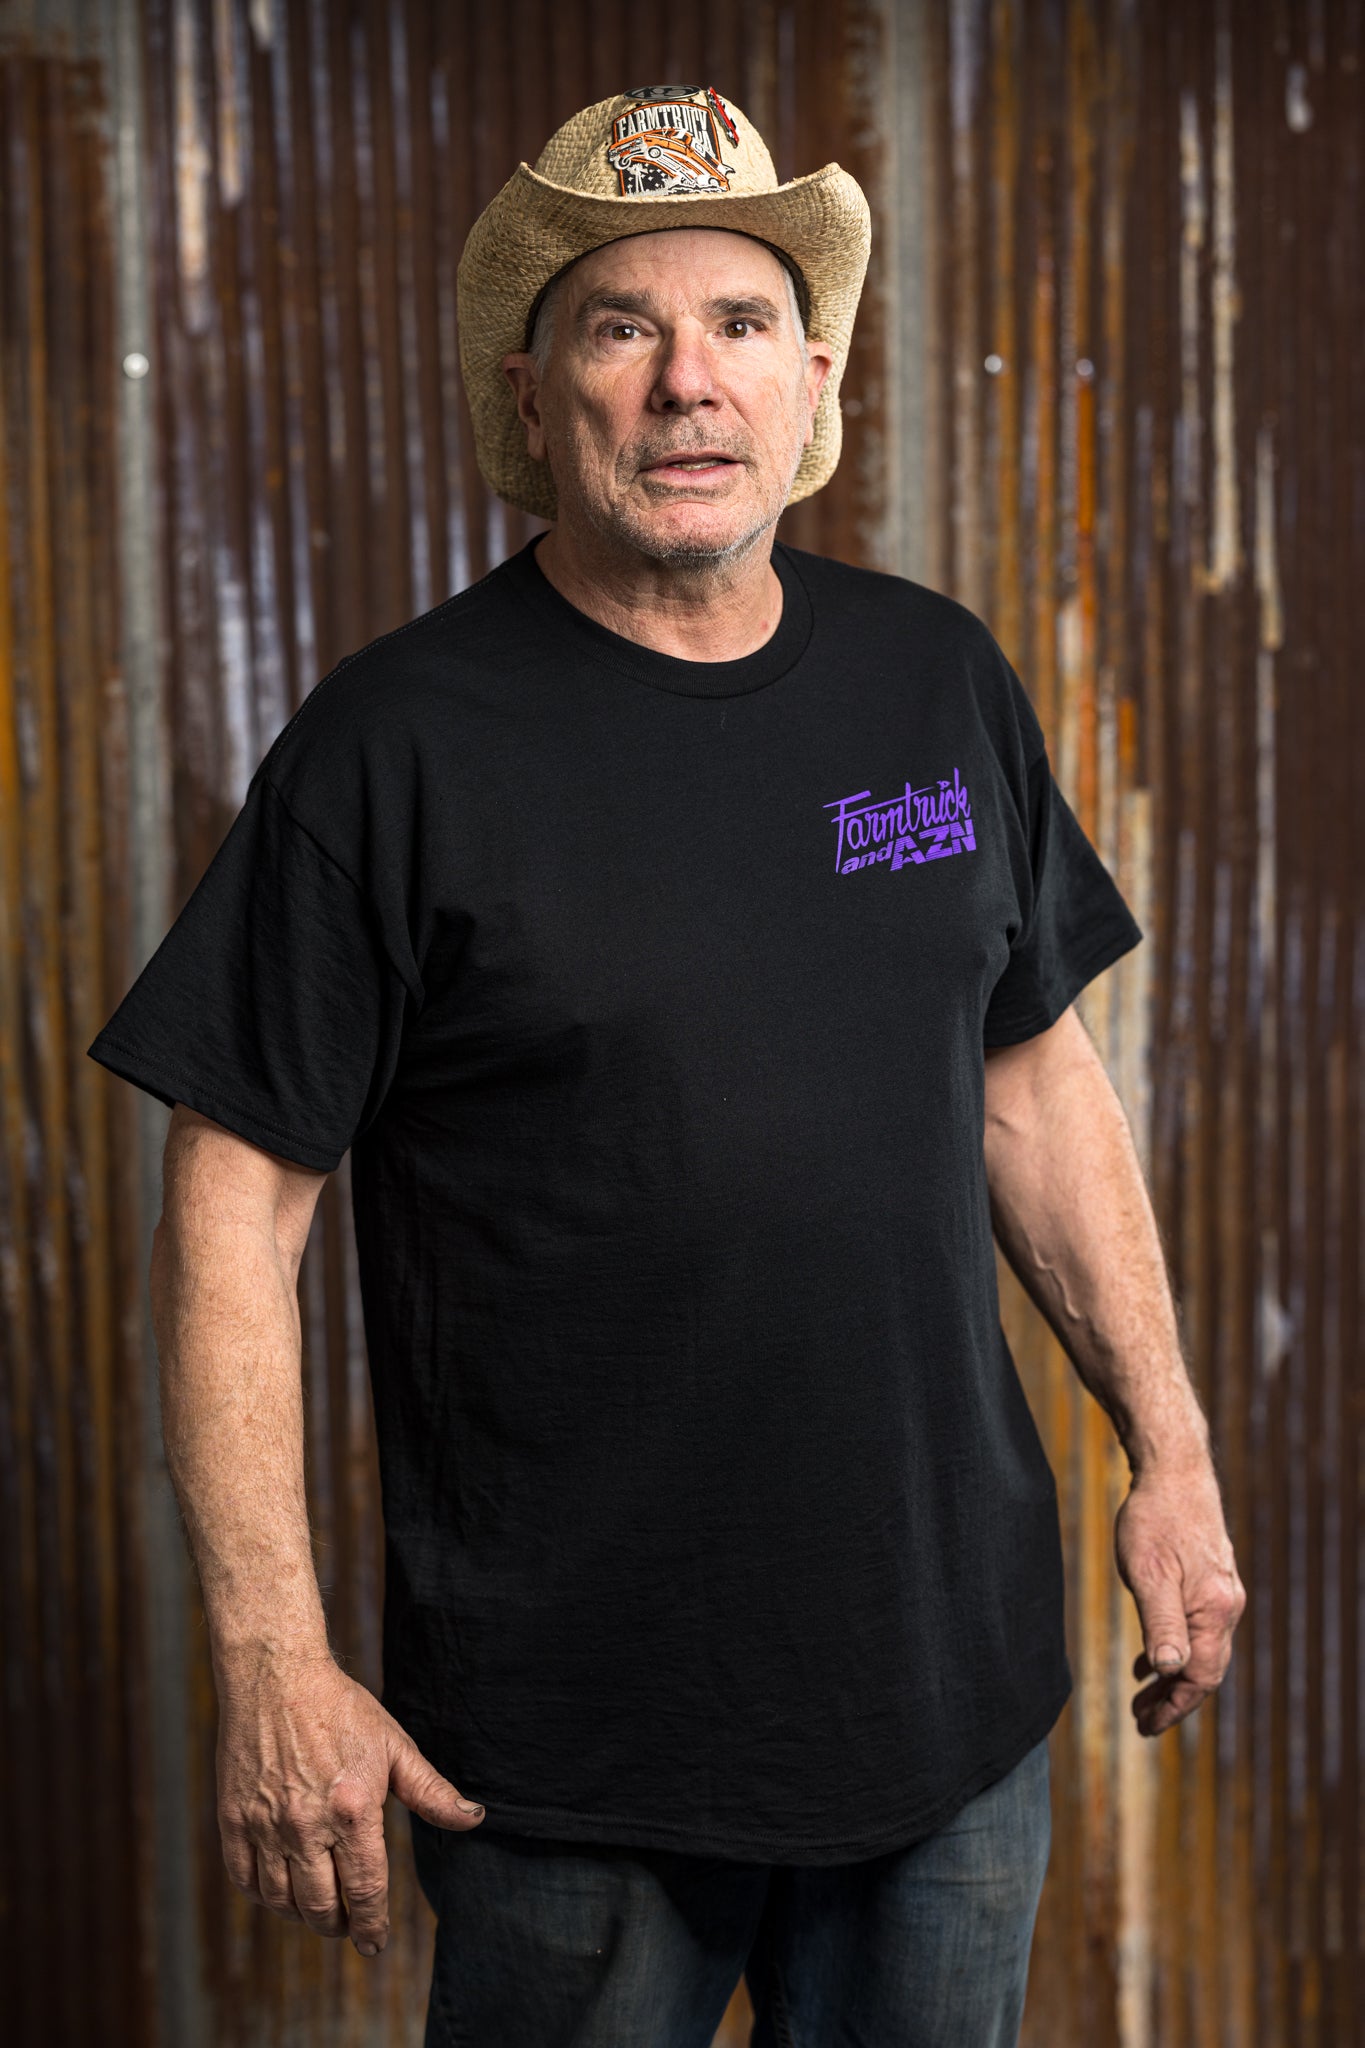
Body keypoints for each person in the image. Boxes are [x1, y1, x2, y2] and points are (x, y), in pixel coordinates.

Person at [88, 84, 1246, 2048]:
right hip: (575, 1755)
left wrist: (1173, 1450)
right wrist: (272, 1658)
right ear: (535, 397)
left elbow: (1030, 1080)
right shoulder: (392, 749)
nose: (684, 382)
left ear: (812, 381)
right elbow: (231, 1213)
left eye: (736, 325)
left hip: (949, 1703)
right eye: (620, 327)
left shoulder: (932, 679)